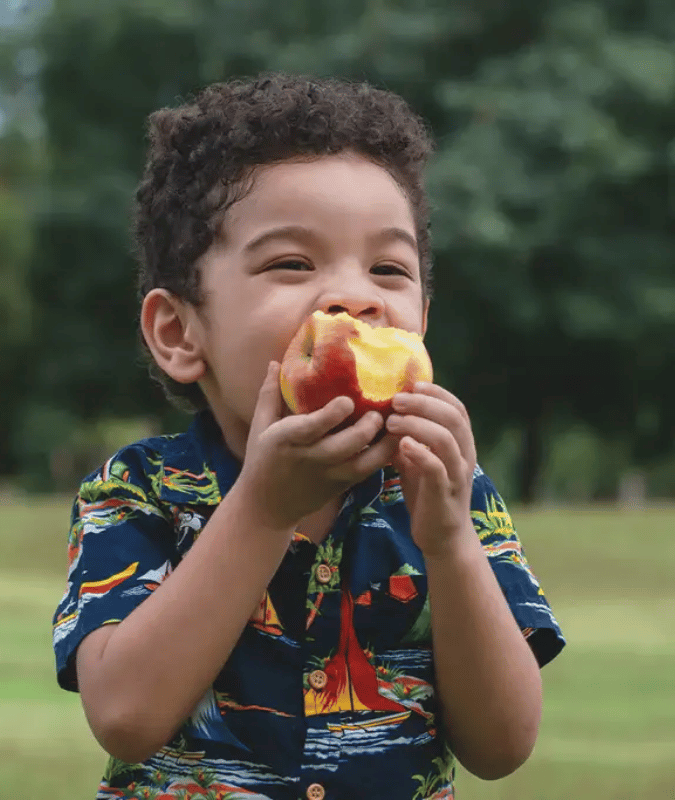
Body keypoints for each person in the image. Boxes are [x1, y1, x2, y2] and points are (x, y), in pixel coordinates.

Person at [52, 73, 565, 800]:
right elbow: (126, 716)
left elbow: (502, 745)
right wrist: (264, 507)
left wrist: (449, 540)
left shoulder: (453, 495)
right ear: (179, 332)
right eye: (293, 263)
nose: (356, 297)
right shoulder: (140, 491)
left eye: (388, 268)